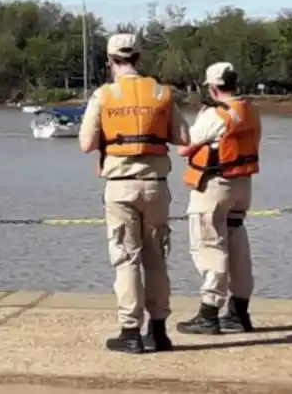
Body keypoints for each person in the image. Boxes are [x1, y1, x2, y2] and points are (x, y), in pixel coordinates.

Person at [79, 33, 190, 354]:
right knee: (156, 259)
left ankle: (130, 332)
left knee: (126, 258)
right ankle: (160, 331)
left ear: (110, 61)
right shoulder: (162, 93)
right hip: (156, 185)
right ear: (139, 59)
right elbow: (183, 137)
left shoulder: (104, 95)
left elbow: (86, 144)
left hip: (120, 186)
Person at [175, 62, 261, 335]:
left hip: (214, 186)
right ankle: (239, 312)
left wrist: (199, 118)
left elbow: (184, 148)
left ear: (213, 87)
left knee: (210, 246)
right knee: (237, 246)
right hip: (242, 186)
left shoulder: (215, 115)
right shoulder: (249, 109)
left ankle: (208, 313)